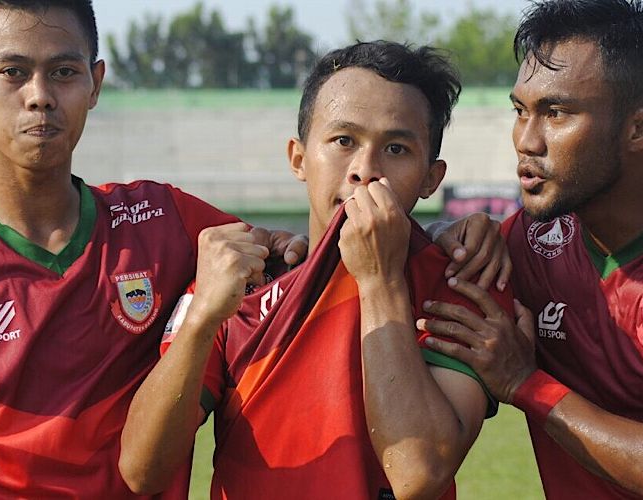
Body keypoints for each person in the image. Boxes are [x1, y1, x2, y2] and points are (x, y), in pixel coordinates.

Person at [119, 41, 513, 499]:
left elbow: (418, 473)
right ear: (299, 159)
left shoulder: (462, 285)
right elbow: (141, 470)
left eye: (397, 148)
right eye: (344, 141)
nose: (365, 170)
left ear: (431, 177)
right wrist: (203, 317)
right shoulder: (242, 287)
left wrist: (380, 280)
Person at [0, 1, 320, 497]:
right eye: (13, 72)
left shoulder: (164, 219)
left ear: (94, 83)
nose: (40, 96)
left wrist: (440, 236)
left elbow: (300, 257)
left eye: (64, 72)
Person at [421, 0, 643, 498]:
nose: (526, 141)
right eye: (521, 111)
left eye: (556, 113)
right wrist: (442, 235)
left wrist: (526, 384)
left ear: (640, 127)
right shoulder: (521, 247)